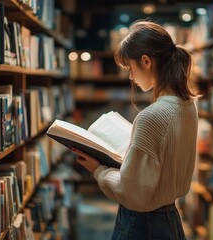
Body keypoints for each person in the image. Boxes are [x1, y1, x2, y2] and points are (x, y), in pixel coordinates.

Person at [72, 19, 199, 240]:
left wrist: (98, 170)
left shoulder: (151, 117)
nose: (131, 76)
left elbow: (132, 193)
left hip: (141, 224)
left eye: (130, 68)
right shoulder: (188, 107)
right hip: (170, 219)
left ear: (146, 61)